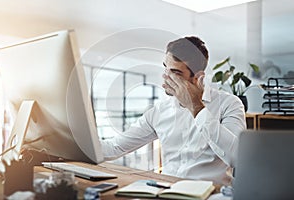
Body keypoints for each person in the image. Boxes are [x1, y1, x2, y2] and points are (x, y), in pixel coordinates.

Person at [101, 36, 246, 185]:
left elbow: (237, 157)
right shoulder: (159, 112)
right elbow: (115, 147)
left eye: (175, 72)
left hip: (210, 194)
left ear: (198, 77)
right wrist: (78, 141)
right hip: (168, 192)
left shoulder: (229, 104)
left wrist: (196, 107)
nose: (165, 76)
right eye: (165, 68)